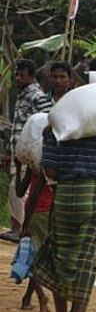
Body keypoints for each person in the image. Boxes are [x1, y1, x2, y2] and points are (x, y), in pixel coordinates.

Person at [31, 128, 96, 312]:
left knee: (59, 257)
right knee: (86, 260)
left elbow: (50, 171)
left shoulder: (56, 128)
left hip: (64, 196)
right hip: (94, 197)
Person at [2, 60, 52, 243]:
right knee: (15, 189)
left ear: (31, 76)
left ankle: (22, 227)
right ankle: (17, 226)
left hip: (28, 153)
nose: (17, 78)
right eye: (16, 74)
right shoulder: (22, 94)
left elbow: (44, 121)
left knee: (19, 189)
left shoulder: (36, 96)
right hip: (19, 151)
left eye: (21, 74)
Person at [15, 165, 52, 312]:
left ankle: (41, 297)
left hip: (36, 213)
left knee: (33, 259)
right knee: (39, 257)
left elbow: (22, 191)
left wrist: (18, 169)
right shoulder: (53, 162)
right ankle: (27, 299)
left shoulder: (35, 164)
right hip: (52, 213)